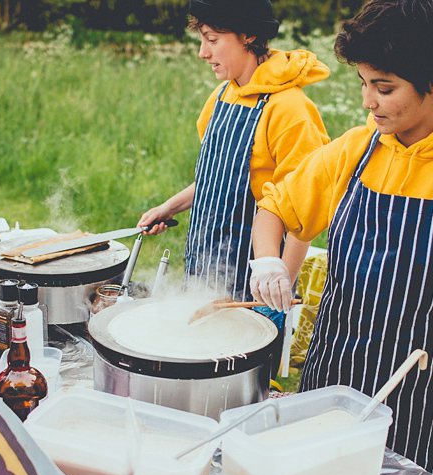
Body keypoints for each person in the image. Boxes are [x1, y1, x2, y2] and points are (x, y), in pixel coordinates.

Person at [250, 0, 433, 475]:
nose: (368, 102)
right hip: (333, 369)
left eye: (384, 88)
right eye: (364, 84)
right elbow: (274, 208)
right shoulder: (356, 150)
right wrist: (268, 261)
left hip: (416, 394)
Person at [137, 0, 329, 308]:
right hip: (203, 269)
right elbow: (219, 180)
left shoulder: (291, 111)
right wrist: (170, 206)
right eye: (202, 39)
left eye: (212, 39)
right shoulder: (223, 94)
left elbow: (303, 216)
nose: (203, 52)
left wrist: (279, 288)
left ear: (249, 35)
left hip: (253, 289)